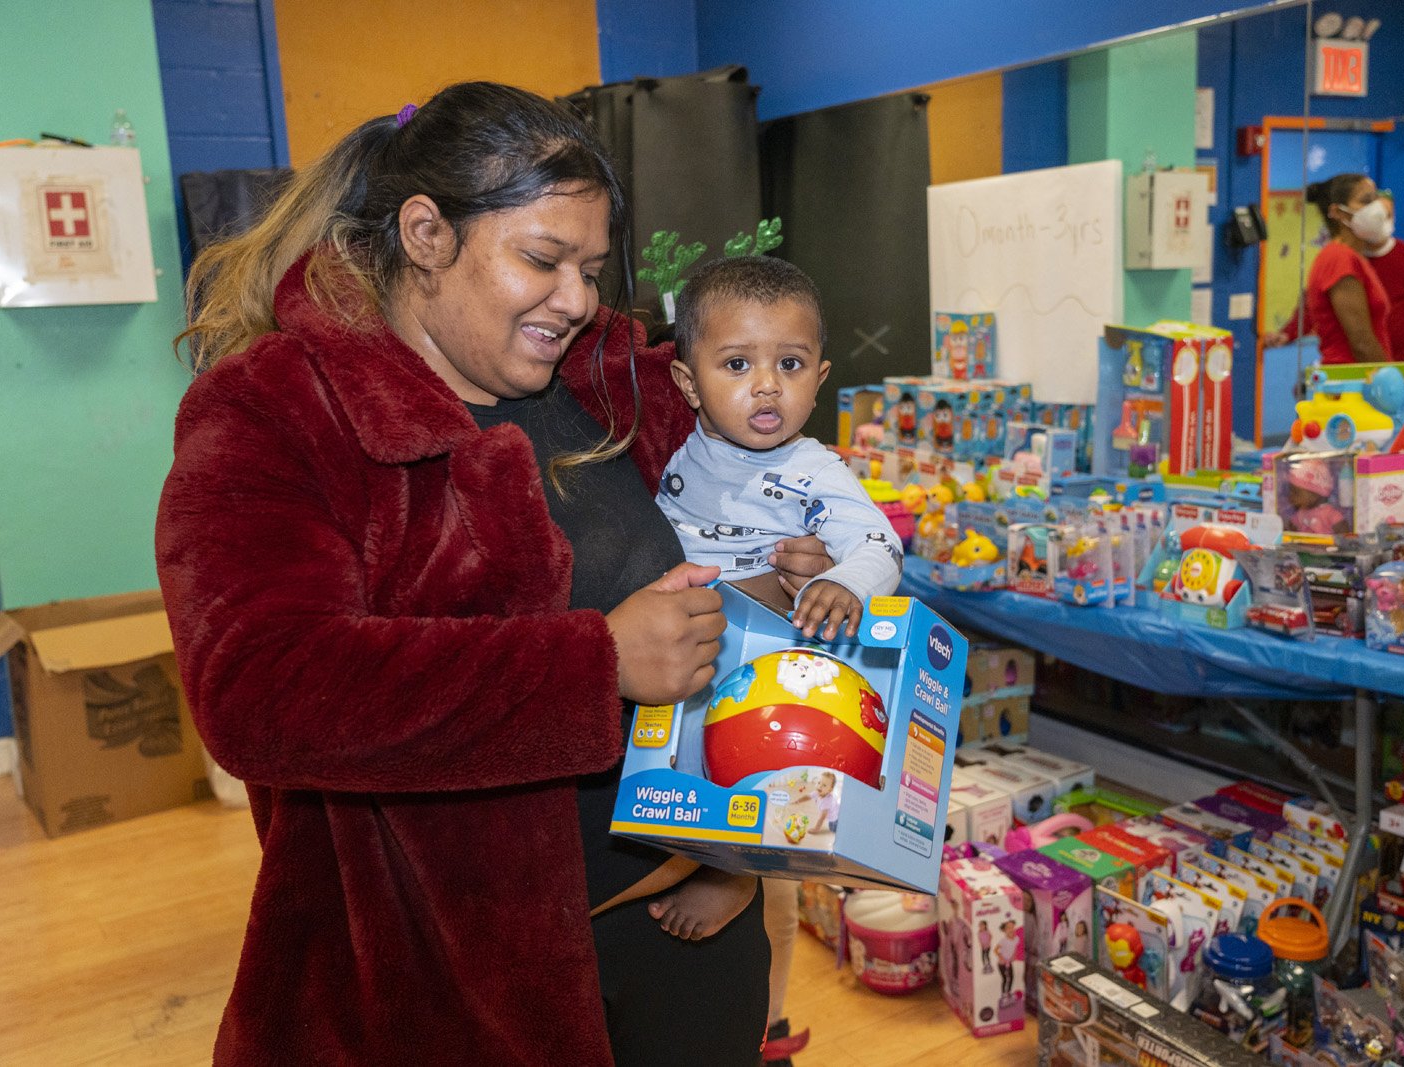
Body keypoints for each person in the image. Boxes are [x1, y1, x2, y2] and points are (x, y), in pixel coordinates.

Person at [155, 81, 831, 1066]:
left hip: (693, 922)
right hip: (457, 984)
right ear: (426, 234)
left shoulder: (619, 385)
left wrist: (785, 572)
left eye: (593, 268)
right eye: (543, 259)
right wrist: (590, 663)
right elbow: (259, 688)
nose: (579, 299)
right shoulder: (277, 410)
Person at [657, 254, 903, 642]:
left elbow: (880, 544)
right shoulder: (665, 448)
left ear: (819, 379)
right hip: (674, 659)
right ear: (689, 384)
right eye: (738, 364)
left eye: (790, 363)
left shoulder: (815, 472)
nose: (768, 384)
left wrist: (847, 583)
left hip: (772, 664)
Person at [1264, 189, 1404, 373]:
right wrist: (1288, 333)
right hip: (1359, 364)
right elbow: (1312, 306)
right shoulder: (1344, 260)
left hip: (1402, 358)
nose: (1379, 221)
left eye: (1385, 216)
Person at [1292, 173, 1395, 365]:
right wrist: (1389, 384)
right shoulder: (1339, 259)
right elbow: (1361, 342)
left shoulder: (1355, 257)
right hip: (1351, 381)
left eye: (1376, 198)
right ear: (1339, 213)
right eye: (1366, 201)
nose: (1377, 208)